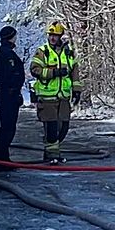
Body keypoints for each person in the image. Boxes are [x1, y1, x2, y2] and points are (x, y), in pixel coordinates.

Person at [30, 21, 83, 164]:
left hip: (63, 97)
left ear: (61, 36)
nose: (52, 38)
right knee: (51, 128)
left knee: (63, 127)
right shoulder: (42, 51)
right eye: (50, 35)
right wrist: (54, 72)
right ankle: (51, 155)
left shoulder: (69, 52)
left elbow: (75, 73)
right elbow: (35, 70)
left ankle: (53, 152)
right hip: (47, 97)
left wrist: (77, 91)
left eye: (55, 35)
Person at [0, 26, 25, 172]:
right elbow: (11, 75)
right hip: (8, 94)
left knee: (8, 126)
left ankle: (3, 158)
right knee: (7, 127)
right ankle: (0, 160)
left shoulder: (3, 52)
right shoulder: (7, 53)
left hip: (7, 93)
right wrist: (14, 91)